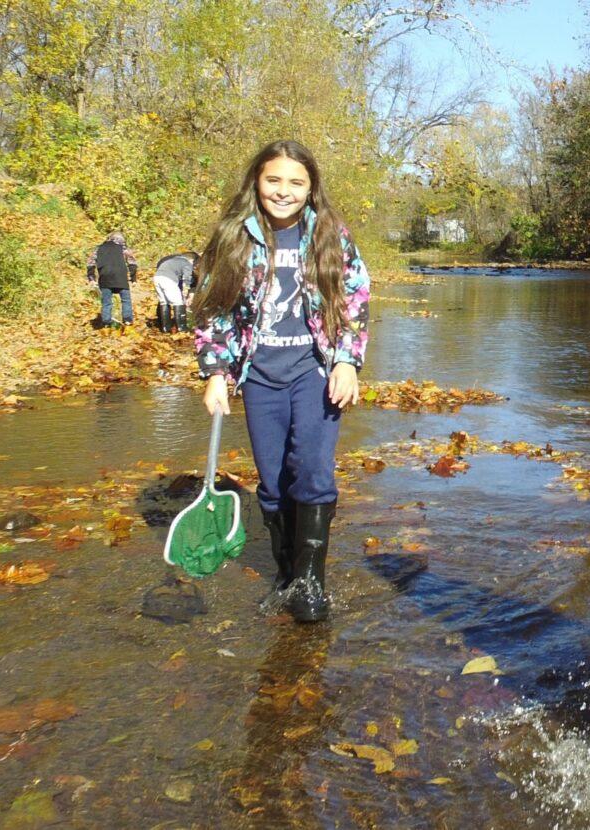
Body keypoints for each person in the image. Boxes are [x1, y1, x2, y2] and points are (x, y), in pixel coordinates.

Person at [194, 140, 371, 624]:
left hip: (315, 373)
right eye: (274, 180)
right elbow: (214, 310)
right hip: (260, 378)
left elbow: (353, 302)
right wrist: (215, 372)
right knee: (272, 484)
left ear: (311, 189)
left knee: (312, 471)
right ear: (257, 181)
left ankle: (312, 580)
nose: (284, 191)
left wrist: (347, 363)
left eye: (296, 183)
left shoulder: (331, 236)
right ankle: (284, 575)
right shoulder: (234, 237)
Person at [87, 231, 139, 327]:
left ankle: (106, 322)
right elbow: (132, 263)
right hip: (121, 277)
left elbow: (90, 263)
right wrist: (133, 279)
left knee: (106, 301)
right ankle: (127, 320)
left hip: (105, 277)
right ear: (121, 240)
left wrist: (91, 278)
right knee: (126, 300)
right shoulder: (123, 248)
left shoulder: (98, 249)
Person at [152, 250, 198, 332]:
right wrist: (186, 288)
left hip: (157, 278)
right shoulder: (187, 263)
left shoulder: (172, 260)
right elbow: (187, 277)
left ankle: (165, 327)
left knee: (164, 302)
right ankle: (182, 327)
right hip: (169, 279)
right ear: (192, 260)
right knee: (178, 301)